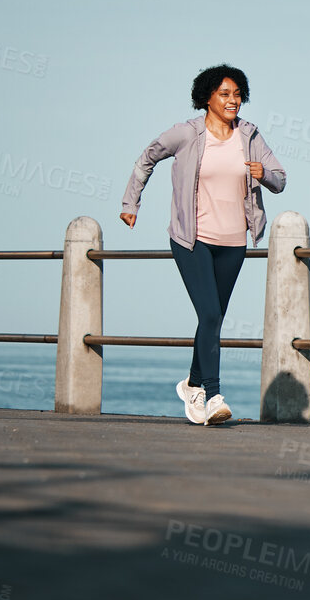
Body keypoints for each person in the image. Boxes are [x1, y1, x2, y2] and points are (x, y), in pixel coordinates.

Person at [121, 65, 286, 425]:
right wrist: (130, 204)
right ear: (207, 97)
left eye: (237, 94)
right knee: (210, 315)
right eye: (225, 94)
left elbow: (280, 179)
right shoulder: (186, 134)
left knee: (212, 318)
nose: (233, 100)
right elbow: (147, 158)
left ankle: (192, 384)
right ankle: (212, 395)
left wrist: (264, 174)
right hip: (191, 238)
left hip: (234, 241)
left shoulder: (250, 135)